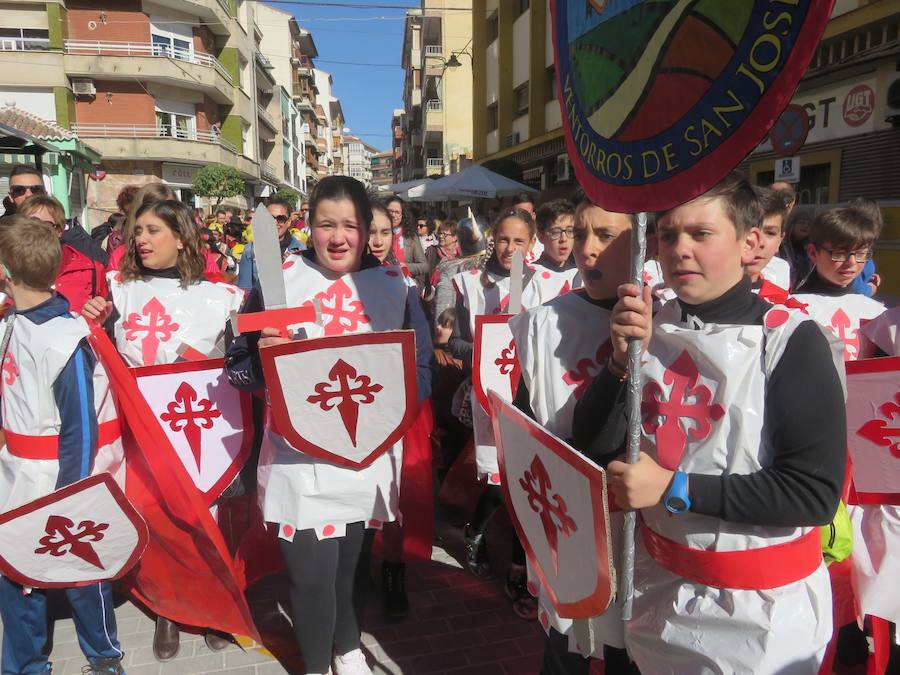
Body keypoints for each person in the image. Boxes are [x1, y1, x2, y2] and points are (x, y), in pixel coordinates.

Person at [575, 172, 846, 674]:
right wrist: (617, 366)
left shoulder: (792, 342)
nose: (679, 249)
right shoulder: (650, 325)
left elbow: (812, 493)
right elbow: (593, 444)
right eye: (668, 234)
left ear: (750, 243)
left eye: (700, 234)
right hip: (657, 594)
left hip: (758, 619)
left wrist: (675, 487)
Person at [225, 176, 433, 675]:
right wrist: (263, 360)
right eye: (325, 224)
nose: (337, 237)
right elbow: (236, 366)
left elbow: (421, 374)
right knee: (311, 577)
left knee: (351, 567)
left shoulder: (394, 289)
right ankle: (317, 665)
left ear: (367, 230)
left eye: (350, 225)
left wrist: (388, 395)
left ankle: (348, 647)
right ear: (308, 226)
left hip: (365, 454)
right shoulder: (279, 282)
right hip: (297, 459)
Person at [82, 199, 243, 660]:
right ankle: (167, 609)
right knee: (153, 516)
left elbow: (228, 368)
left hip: (193, 429)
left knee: (202, 516)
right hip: (137, 425)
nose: (141, 239)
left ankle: (212, 607)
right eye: (138, 231)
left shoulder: (219, 297)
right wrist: (94, 318)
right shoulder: (118, 289)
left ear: (182, 237)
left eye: (153, 230)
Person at [510, 194, 636, 673]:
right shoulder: (545, 323)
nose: (586, 249)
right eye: (581, 234)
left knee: (630, 652)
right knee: (567, 648)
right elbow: (525, 427)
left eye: (606, 236)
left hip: (639, 526)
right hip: (569, 517)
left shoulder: (665, 321)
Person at [0, 215, 125, 674]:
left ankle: (105, 657)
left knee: (82, 573)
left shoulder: (64, 339)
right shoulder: (12, 321)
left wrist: (71, 496)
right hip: (16, 474)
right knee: (16, 575)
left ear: (5, 272)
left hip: (58, 477)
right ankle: (25, 664)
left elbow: (81, 427)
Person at [448, 208, 552, 613]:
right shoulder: (470, 284)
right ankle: (475, 533)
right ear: (493, 238)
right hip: (490, 394)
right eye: (504, 240)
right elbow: (454, 343)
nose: (511, 249)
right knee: (496, 482)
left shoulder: (548, 285)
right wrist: (486, 351)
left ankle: (519, 568)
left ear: (532, 243)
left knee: (532, 484)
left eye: (519, 241)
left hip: (534, 397)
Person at [793, 206, 885, 361]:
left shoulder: (877, 313)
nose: (852, 263)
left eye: (861, 253)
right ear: (813, 253)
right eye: (840, 253)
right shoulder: (792, 308)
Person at [18, 194, 109, 313]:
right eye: (27, 225)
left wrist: (93, 316)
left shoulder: (92, 270)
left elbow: (102, 319)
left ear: (59, 230)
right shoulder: (9, 271)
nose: (34, 231)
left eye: (44, 225)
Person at [236, 197, 304, 291]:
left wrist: (291, 266)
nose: (274, 222)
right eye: (269, 218)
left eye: (281, 219)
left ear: (288, 222)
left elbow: (305, 288)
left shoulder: (301, 249)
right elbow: (244, 290)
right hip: (260, 303)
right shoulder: (250, 250)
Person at [746, 186, 791, 289]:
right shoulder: (705, 294)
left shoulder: (781, 273)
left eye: (770, 233)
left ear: (780, 240)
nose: (759, 242)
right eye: (749, 231)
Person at [847, 198, 883, 298]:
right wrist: (872, 288)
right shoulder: (854, 243)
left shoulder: (864, 242)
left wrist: (869, 276)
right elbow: (855, 287)